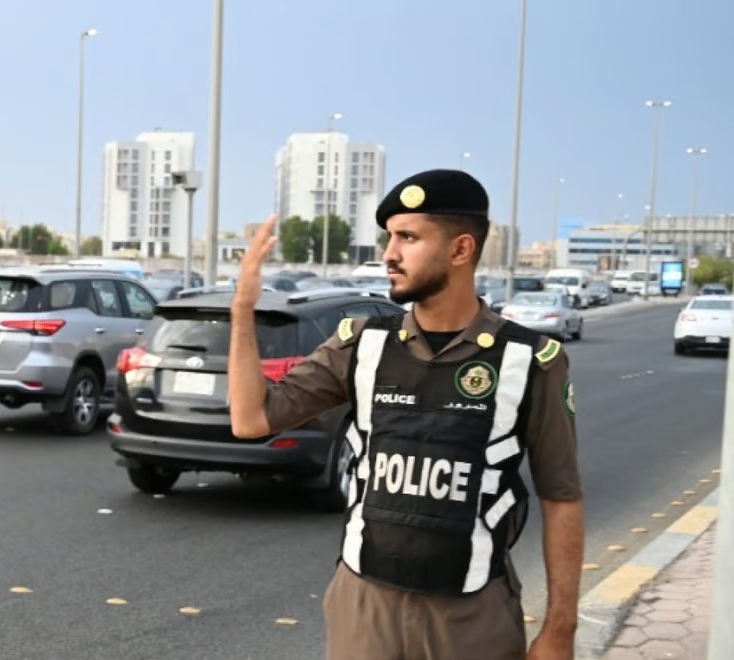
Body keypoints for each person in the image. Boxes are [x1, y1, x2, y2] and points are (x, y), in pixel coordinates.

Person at [228, 169, 584, 660]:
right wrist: (242, 310)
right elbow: (251, 420)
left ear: (460, 250)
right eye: (389, 237)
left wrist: (560, 626)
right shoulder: (361, 344)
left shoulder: (529, 359)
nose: (389, 254)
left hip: (472, 615)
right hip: (365, 607)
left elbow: (561, 497)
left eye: (408, 238)